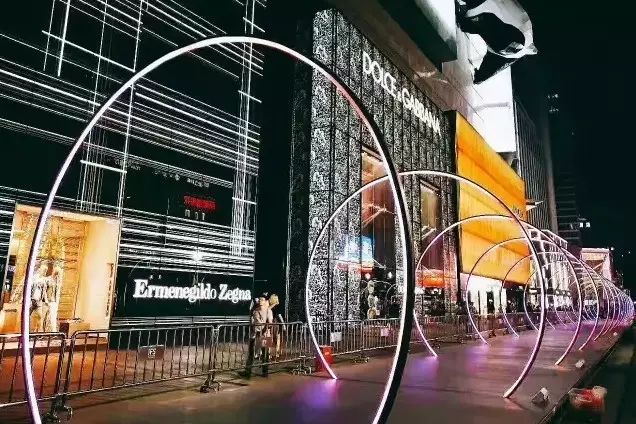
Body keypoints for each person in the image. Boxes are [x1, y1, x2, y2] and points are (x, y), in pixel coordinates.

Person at [241, 294, 273, 378]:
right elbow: (253, 322)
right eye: (259, 299)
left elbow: (270, 323)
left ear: (266, 301)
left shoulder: (268, 311)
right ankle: (248, 372)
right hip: (254, 335)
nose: (260, 301)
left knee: (265, 354)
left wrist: (264, 330)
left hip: (265, 335)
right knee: (251, 354)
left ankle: (265, 372)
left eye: (262, 299)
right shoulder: (255, 310)